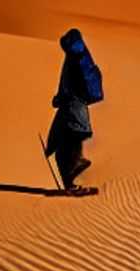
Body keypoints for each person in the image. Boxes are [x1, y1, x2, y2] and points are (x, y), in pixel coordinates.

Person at [45, 29, 101, 191]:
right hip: (75, 110)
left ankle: (72, 176)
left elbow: (69, 87)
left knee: (65, 146)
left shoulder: (75, 58)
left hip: (72, 110)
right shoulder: (79, 57)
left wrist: (60, 98)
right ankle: (75, 169)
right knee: (68, 144)